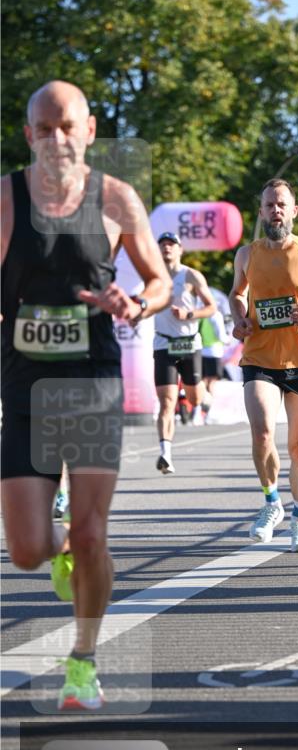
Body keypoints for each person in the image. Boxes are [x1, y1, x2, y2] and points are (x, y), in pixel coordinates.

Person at [1, 80, 171, 710]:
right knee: (25, 551)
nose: (57, 139)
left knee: (94, 532)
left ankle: (83, 661)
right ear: (28, 136)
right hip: (24, 386)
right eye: (44, 129)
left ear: (90, 130)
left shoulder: (117, 199)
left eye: (67, 126)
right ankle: (61, 545)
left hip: (94, 383)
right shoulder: (7, 200)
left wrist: (137, 303)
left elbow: (158, 283)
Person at [230, 178, 298, 553]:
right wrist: (239, 318)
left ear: (294, 211)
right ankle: (271, 502)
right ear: (260, 213)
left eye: (282, 204)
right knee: (261, 433)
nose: (275, 210)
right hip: (260, 355)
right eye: (269, 205)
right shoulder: (246, 254)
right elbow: (236, 294)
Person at [153, 232, 216, 470]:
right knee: (166, 401)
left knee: (194, 398)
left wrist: (189, 314)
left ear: (180, 250)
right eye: (163, 244)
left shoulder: (191, 275)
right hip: (163, 344)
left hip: (189, 343)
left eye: (171, 244)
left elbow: (211, 308)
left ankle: (205, 398)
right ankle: (165, 454)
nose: (166, 248)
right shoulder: (153, 277)